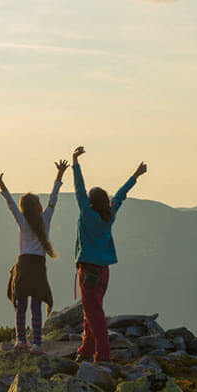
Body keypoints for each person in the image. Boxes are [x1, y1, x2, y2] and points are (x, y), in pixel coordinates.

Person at [71, 145, 147, 362]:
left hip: (88, 271)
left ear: (91, 201)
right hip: (103, 272)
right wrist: (135, 175)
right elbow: (121, 195)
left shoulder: (87, 213)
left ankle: (102, 356)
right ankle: (86, 349)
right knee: (92, 312)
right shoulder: (109, 214)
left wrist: (75, 162)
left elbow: (78, 187)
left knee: (95, 315)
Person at [0, 159, 69, 352]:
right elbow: (53, 199)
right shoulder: (45, 220)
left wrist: (2, 186)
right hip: (37, 266)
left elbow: (11, 205)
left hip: (23, 265)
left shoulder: (22, 221)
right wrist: (60, 175)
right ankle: (36, 343)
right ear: (38, 206)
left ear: (24, 208)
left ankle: (21, 340)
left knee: (21, 305)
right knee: (36, 305)